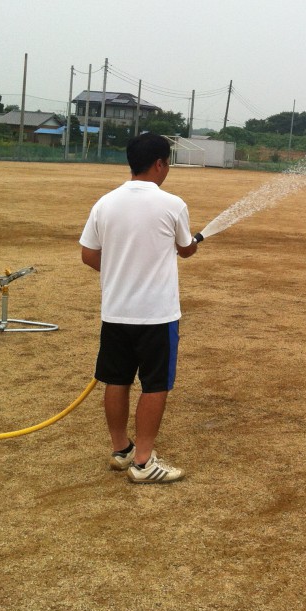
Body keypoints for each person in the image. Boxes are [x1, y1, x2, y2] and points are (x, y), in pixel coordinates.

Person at [79, 132, 202, 483]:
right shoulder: (172, 204)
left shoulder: (105, 203)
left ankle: (122, 450)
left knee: (116, 380)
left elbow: (89, 254)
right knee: (154, 384)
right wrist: (192, 244)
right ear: (160, 163)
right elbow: (186, 249)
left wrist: (120, 269)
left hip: (115, 311)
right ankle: (144, 463)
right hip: (156, 315)